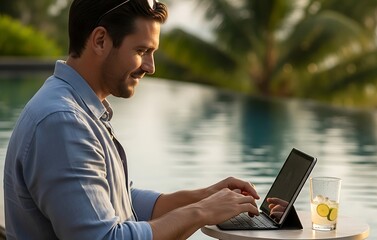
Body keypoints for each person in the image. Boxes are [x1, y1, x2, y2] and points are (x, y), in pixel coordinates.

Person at [3, 0, 260, 239]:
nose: (150, 66)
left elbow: (114, 200)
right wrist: (201, 212)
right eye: (142, 50)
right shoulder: (63, 122)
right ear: (101, 40)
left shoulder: (79, 110)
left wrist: (204, 197)